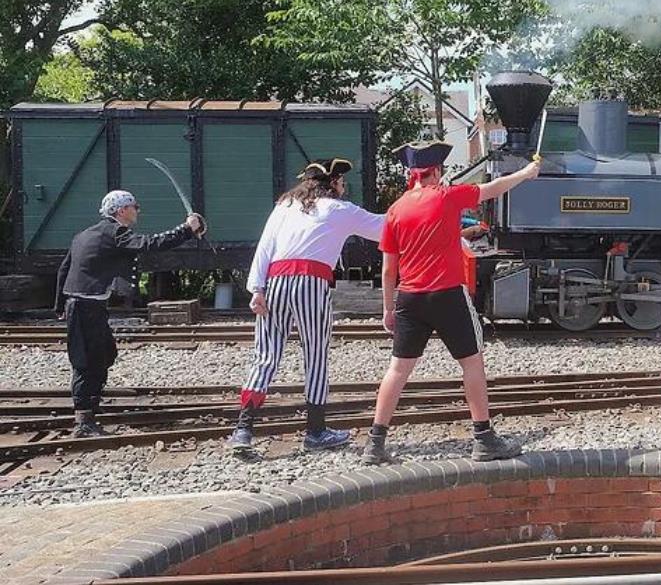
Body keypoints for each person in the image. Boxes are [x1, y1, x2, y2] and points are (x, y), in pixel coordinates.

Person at [361, 142, 541, 465]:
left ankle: (375, 443)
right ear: (437, 171)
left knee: (398, 369)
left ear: (411, 174)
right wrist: (526, 173)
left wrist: (388, 309)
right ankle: (484, 438)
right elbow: (494, 188)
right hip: (447, 295)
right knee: (472, 362)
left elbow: (389, 269)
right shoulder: (447, 197)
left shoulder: (395, 210)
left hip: (409, 298)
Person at [228, 158, 384, 453]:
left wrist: (256, 289)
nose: (343, 187)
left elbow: (265, 246)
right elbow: (383, 227)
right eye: (341, 182)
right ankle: (315, 431)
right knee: (315, 355)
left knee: (266, 355)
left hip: (275, 282)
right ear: (333, 183)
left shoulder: (285, 205)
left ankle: (243, 430)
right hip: (311, 282)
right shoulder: (340, 209)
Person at [54, 191, 205, 437]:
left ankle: (91, 407)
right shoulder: (115, 233)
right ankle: (84, 421)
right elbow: (149, 244)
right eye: (134, 206)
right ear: (121, 210)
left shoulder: (85, 234)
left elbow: (64, 269)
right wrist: (186, 230)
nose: (138, 210)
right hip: (85, 307)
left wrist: (60, 306)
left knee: (105, 355)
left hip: (85, 305)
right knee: (86, 363)